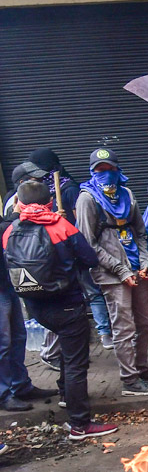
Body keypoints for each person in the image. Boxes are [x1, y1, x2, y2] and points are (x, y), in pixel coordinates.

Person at [2, 181, 118, 439]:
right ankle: (80, 423)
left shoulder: (10, 231)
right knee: (76, 362)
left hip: (34, 306)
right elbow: (90, 258)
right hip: (67, 303)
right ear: (49, 202)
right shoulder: (60, 226)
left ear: (19, 204)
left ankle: (67, 394)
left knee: (68, 355)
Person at [76, 148, 148, 397]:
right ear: (92, 172)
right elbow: (88, 244)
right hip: (112, 274)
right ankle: (129, 380)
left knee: (144, 323)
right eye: (99, 170)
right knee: (123, 327)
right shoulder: (87, 199)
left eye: (109, 169)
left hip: (137, 268)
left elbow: (141, 231)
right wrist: (120, 270)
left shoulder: (126, 194)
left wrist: (145, 263)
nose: (105, 174)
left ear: (118, 170)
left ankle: (142, 368)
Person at [29, 147, 114, 355]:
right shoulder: (42, 192)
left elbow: (81, 222)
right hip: (58, 252)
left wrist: (64, 221)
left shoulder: (69, 190)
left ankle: (104, 332)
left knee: (93, 292)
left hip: (75, 248)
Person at [0, 163, 58, 412]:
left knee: (17, 338)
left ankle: (21, 385)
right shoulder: (13, 206)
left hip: (7, 284)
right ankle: (4, 394)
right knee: (3, 343)